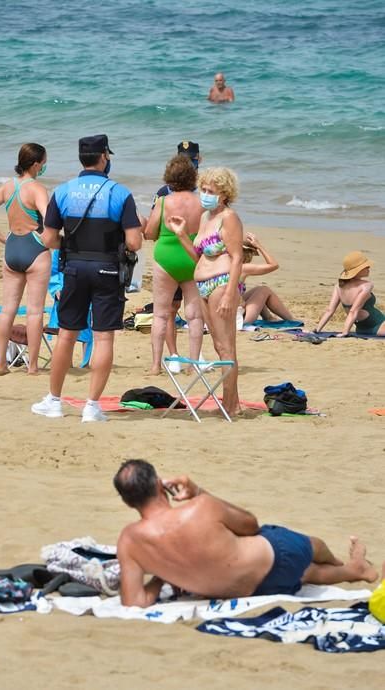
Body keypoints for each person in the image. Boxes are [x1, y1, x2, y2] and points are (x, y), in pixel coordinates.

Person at [114, 459, 378, 608]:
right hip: (276, 559)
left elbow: (134, 602)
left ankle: (354, 571)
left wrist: (161, 575)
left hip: (243, 591)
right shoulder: (200, 507)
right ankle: (344, 565)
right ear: (160, 485)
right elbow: (251, 525)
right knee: (313, 546)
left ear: (128, 503)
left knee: (307, 573)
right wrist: (199, 492)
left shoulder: (129, 541)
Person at [31, 134, 143, 422]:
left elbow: (48, 239)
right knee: (104, 338)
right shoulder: (119, 193)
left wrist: (69, 245)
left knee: (67, 335)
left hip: (74, 268)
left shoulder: (64, 191)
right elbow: (134, 243)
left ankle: (54, 401)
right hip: (107, 270)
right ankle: (92, 407)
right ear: (104, 157)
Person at [166, 167, 243, 416]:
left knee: (225, 347)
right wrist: (180, 235)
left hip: (222, 283)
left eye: (211, 191)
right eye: (203, 189)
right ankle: (233, 403)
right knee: (219, 345)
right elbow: (198, 256)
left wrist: (231, 294)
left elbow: (237, 257)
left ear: (224, 193)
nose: (205, 194)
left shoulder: (229, 218)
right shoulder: (205, 218)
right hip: (203, 284)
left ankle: (230, 405)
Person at [0, 143, 50, 375]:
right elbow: (49, 221)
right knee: (35, 311)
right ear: (36, 164)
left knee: (7, 309)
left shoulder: (8, 187)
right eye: (44, 162)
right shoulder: (37, 189)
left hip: (12, 248)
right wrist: (46, 241)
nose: (45, 166)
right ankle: (33, 366)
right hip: (34, 249)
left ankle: (1, 364)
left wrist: (4, 240)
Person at [144, 155, 204, 375]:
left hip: (166, 257)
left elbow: (150, 233)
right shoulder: (201, 203)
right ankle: (192, 364)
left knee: (161, 314)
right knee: (195, 315)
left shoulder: (163, 202)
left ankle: (155, 365)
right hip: (193, 257)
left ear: (168, 177)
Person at [315, 251, 385, 337]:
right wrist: (345, 332)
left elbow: (330, 311)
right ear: (358, 270)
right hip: (379, 325)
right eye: (366, 266)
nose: (369, 268)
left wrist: (317, 330)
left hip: (361, 329)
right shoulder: (366, 285)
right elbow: (353, 311)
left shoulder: (339, 286)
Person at [240, 232, 296, 324]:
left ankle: (268, 317)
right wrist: (259, 246)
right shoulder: (242, 268)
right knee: (264, 290)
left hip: (223, 314)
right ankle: (291, 320)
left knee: (257, 290)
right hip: (238, 319)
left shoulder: (222, 264)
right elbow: (274, 265)